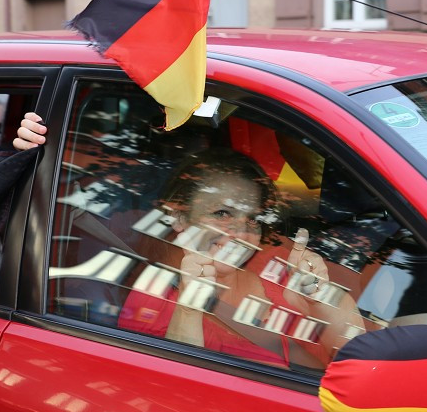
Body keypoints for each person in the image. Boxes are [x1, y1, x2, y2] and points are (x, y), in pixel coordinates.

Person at [114, 148, 365, 369]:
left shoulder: (276, 265)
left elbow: (360, 356)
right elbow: (174, 392)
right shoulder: (153, 301)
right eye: (222, 213)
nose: (241, 233)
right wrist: (189, 309)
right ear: (180, 218)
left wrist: (318, 296)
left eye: (252, 219)